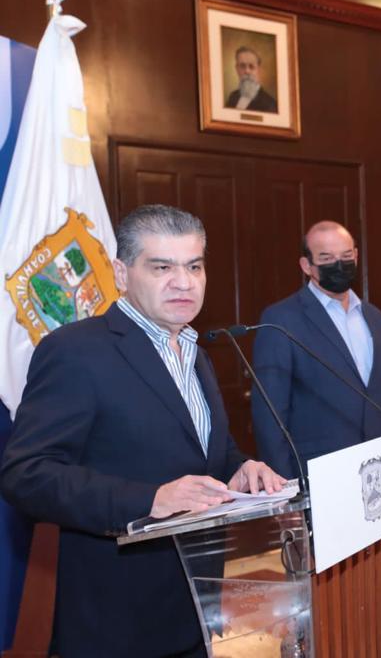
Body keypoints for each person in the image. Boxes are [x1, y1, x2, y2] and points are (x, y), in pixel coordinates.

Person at [0, 205, 285, 656]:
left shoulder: (197, 352)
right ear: (121, 273)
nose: (184, 282)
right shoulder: (75, 351)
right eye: (162, 267)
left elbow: (205, 450)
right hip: (117, 621)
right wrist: (149, 500)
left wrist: (240, 468)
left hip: (196, 606)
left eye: (194, 266)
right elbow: (26, 474)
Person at [251, 221, 381, 478]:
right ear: (306, 265)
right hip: (319, 472)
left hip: (379, 468)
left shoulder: (375, 317)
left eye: (346, 256)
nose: (339, 265)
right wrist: (286, 488)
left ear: (356, 256)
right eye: (326, 258)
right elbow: (270, 415)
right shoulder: (280, 320)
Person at [225, 46, 278, 113]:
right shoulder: (233, 96)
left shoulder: (270, 103)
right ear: (237, 69)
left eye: (251, 66)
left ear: (258, 70)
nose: (247, 71)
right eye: (242, 66)